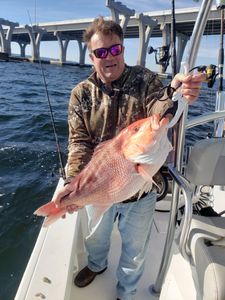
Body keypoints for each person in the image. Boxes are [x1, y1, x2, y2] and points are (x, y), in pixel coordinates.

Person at [54, 17, 205, 300]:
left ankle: (127, 292)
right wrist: (74, 183)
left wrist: (176, 94)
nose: (109, 57)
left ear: (123, 49)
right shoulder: (80, 95)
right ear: (91, 56)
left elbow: (160, 106)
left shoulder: (144, 79)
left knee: (135, 251)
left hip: (140, 188)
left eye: (115, 50)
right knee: (96, 239)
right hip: (100, 187)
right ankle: (97, 266)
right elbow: (79, 143)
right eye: (101, 52)